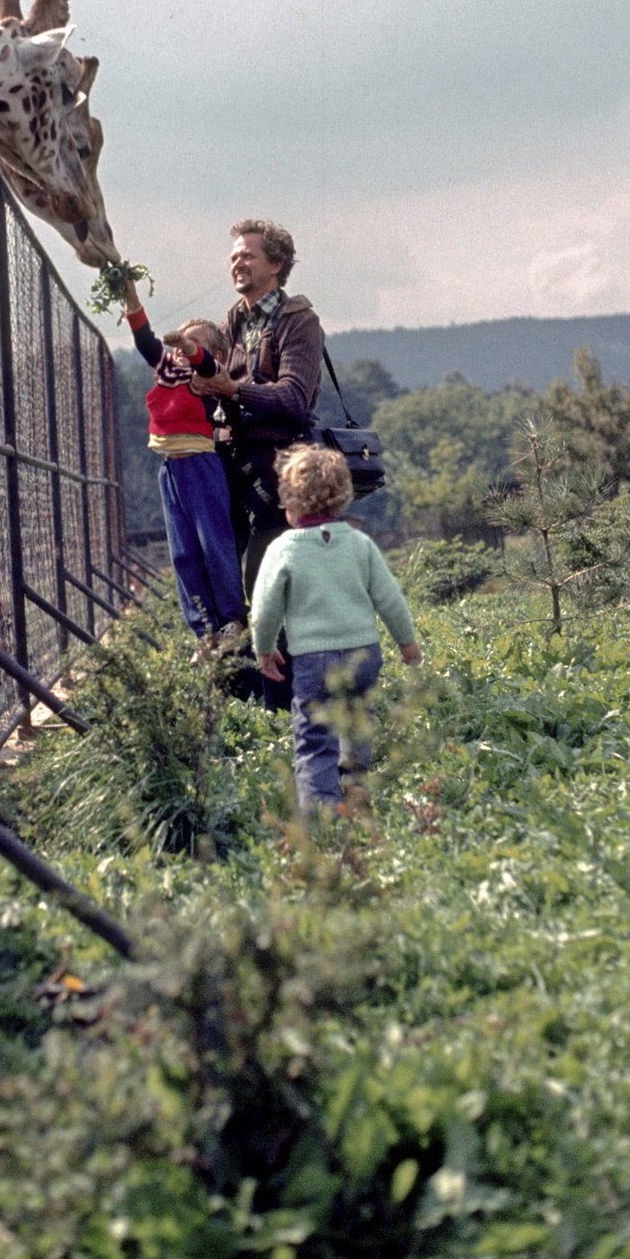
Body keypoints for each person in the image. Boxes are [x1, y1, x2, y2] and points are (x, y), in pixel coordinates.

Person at [192, 218, 325, 708]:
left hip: (277, 473)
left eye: (247, 255)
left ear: (276, 264)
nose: (237, 262)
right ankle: (239, 700)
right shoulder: (234, 320)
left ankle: (283, 704)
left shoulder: (298, 321)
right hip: (231, 467)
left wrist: (233, 389)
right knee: (221, 583)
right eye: (233, 256)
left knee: (266, 585)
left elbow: (294, 398)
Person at [250, 443, 422, 813]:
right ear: (343, 497)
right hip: (364, 653)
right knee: (358, 721)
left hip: (314, 660)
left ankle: (322, 814)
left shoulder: (284, 549)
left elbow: (264, 610)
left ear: (289, 503)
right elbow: (390, 599)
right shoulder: (360, 545)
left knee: (314, 739)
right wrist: (407, 644)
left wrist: (264, 650)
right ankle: (357, 789)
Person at [123, 278, 247, 647]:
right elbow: (146, 342)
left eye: (190, 345)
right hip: (170, 468)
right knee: (183, 552)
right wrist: (131, 297)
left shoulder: (206, 378)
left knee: (214, 543)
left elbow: (206, 364)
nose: (178, 351)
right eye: (178, 345)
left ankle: (231, 619)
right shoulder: (168, 371)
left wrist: (190, 346)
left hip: (200, 463)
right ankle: (204, 631)